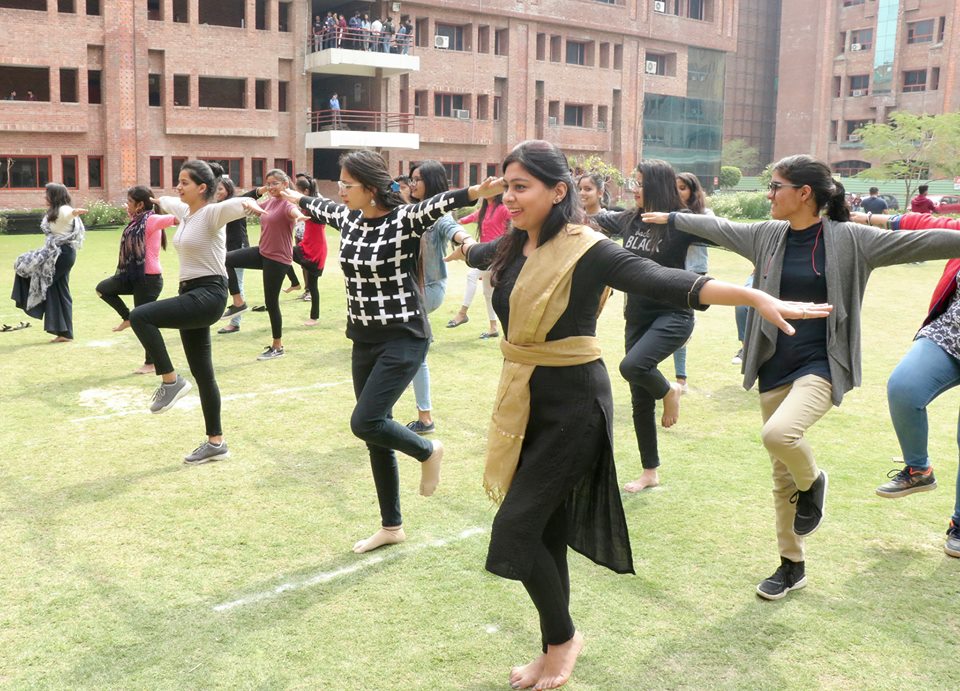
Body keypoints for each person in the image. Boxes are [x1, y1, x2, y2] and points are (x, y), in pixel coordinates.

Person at [445, 140, 829, 691]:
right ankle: (554, 644)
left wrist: (751, 297)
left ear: (559, 193)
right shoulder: (511, 246)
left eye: (521, 186)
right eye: (506, 185)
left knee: (514, 531)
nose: (510, 196)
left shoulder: (587, 248)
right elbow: (475, 251)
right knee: (543, 530)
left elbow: (659, 279)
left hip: (574, 404)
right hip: (526, 399)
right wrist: (449, 234)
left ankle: (563, 640)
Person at [642, 154, 960, 600]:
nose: (769, 195)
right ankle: (791, 565)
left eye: (775, 187)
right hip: (773, 364)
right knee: (780, 478)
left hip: (822, 365)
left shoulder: (851, 240)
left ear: (803, 193)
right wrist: (674, 216)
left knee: (779, 435)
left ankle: (815, 482)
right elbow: (719, 228)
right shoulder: (767, 235)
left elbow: (925, 242)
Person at [281, 150, 502, 555]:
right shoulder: (348, 216)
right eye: (341, 184)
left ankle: (427, 449)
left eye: (348, 185)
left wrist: (475, 191)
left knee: (365, 421)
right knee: (375, 434)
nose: (342, 191)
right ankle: (391, 525)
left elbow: (441, 203)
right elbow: (319, 205)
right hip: (363, 337)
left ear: (370, 188)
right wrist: (289, 196)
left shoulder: (404, 219)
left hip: (403, 336)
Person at [131, 160, 263, 464]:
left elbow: (238, 203)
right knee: (204, 374)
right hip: (190, 293)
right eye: (178, 181)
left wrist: (253, 201)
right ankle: (216, 443)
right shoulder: (186, 214)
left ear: (202, 188)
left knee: (141, 316)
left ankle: (171, 381)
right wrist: (157, 200)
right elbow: (170, 202)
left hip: (210, 293)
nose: (179, 186)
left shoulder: (211, 213)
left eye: (184, 182)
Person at [593, 160, 708, 494]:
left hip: (674, 314)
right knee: (638, 394)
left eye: (640, 182)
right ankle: (649, 471)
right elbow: (594, 219)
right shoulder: (630, 219)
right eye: (633, 182)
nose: (634, 188)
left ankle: (669, 390)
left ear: (657, 186)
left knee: (633, 366)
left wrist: (675, 217)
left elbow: (718, 228)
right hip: (638, 315)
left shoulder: (681, 223)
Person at [852, 209, 960, 557]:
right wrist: (865, 218)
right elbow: (930, 225)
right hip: (950, 334)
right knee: (904, 387)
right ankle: (918, 469)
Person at [404, 160, 473, 435]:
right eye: (411, 179)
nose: (412, 184)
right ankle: (423, 416)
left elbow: (454, 230)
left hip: (429, 288)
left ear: (431, 182)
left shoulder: (439, 215)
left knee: (413, 352)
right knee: (408, 350)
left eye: (417, 179)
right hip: (410, 288)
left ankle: (425, 418)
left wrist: (467, 244)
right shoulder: (408, 211)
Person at [95, 185, 176, 373]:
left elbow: (178, 218)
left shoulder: (152, 220)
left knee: (145, 323)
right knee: (102, 289)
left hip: (149, 280)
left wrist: (166, 203)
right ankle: (128, 318)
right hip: (132, 276)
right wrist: (132, 215)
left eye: (130, 201)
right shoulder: (137, 221)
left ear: (140, 204)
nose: (127, 204)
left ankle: (152, 362)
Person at [223, 169, 301, 360]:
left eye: (275, 183)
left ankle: (277, 346)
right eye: (268, 183)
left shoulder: (286, 204)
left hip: (278, 259)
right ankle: (238, 302)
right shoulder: (271, 201)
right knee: (226, 259)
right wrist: (249, 204)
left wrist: (299, 216)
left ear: (285, 184)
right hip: (262, 252)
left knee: (271, 303)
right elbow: (252, 205)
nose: (271, 187)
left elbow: (293, 211)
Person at [11, 183, 86, 342]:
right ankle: (64, 333)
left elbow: (68, 213)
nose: (45, 197)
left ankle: (63, 332)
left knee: (34, 275)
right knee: (57, 289)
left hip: (61, 254)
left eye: (47, 194)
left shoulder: (63, 209)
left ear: (55, 196)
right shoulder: (56, 210)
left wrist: (75, 212)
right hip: (60, 253)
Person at [671, 172, 711, 394]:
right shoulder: (667, 214)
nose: (678, 192)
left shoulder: (704, 214)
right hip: (670, 272)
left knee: (681, 323)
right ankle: (678, 380)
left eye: (683, 188)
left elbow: (708, 227)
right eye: (675, 188)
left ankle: (681, 379)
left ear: (693, 191)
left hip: (693, 274)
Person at [447, 194, 508, 337]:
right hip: (483, 254)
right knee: (488, 293)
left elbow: (516, 224)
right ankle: (493, 328)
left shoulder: (503, 209)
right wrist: (454, 225)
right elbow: (470, 218)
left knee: (471, 275)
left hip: (496, 255)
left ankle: (462, 313)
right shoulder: (484, 210)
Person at [291, 174, 327, 327]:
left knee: (313, 285)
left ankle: (314, 318)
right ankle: (295, 283)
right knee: (282, 253)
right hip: (307, 244)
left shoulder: (316, 205)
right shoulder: (307, 205)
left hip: (315, 248)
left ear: (305, 191)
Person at [215, 176, 249, 335]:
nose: (217, 192)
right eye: (216, 189)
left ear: (228, 189)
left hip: (237, 248)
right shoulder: (220, 206)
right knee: (230, 283)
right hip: (226, 250)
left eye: (220, 189)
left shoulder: (234, 204)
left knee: (237, 284)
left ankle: (235, 323)